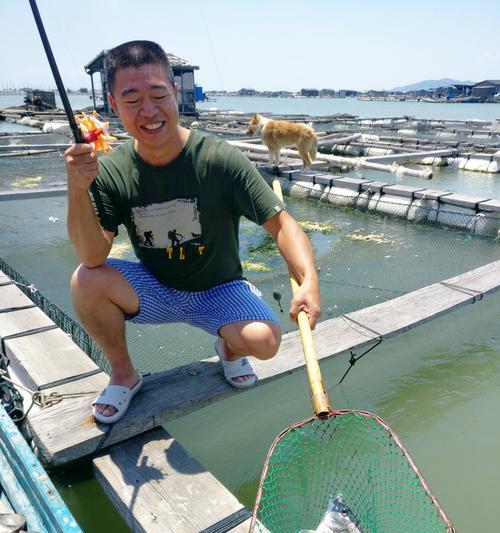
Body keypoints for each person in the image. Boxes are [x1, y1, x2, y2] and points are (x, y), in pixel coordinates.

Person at [65, 40, 321, 424]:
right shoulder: (110, 170)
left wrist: (309, 279)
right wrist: (77, 190)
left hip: (219, 287)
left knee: (265, 342)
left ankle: (229, 350)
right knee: (85, 279)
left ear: (176, 93)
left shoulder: (219, 158)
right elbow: (93, 255)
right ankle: (123, 373)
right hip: (154, 286)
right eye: (132, 99)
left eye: (158, 94)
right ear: (113, 106)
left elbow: (281, 223)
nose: (148, 111)